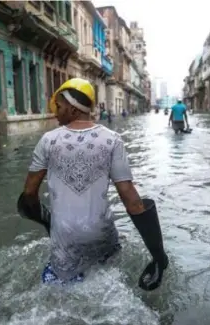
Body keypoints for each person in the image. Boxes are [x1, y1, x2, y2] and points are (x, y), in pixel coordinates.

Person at [17, 78, 168, 291]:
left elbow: (29, 193)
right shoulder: (113, 140)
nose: (55, 113)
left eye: (59, 107)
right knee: (109, 285)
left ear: (72, 108)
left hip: (66, 241)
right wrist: (158, 257)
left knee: (61, 293)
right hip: (102, 235)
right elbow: (132, 200)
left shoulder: (48, 141)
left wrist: (48, 221)